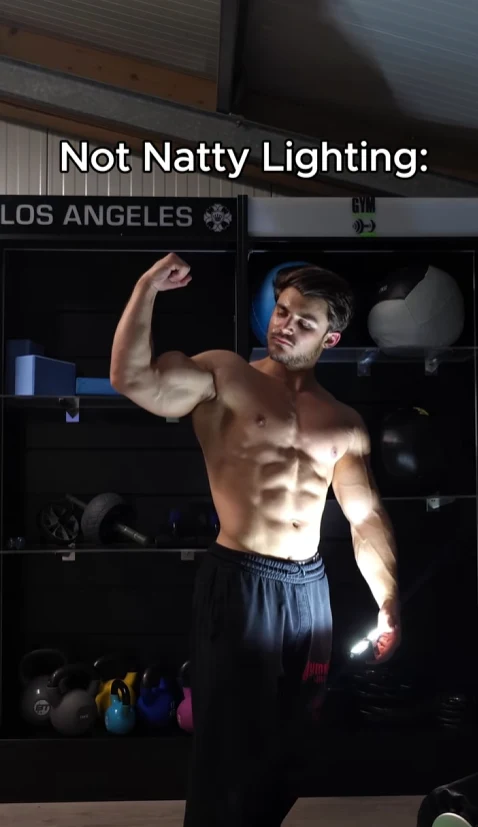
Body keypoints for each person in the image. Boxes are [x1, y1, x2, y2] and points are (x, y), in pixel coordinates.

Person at [110, 252, 401, 827]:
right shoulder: (225, 376)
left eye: (303, 321)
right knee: (228, 750)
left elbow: (365, 517)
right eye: (282, 310)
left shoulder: (343, 421)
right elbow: (132, 379)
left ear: (331, 339)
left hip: (309, 591)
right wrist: (146, 288)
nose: (284, 324)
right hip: (242, 582)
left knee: (294, 744)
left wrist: (388, 599)